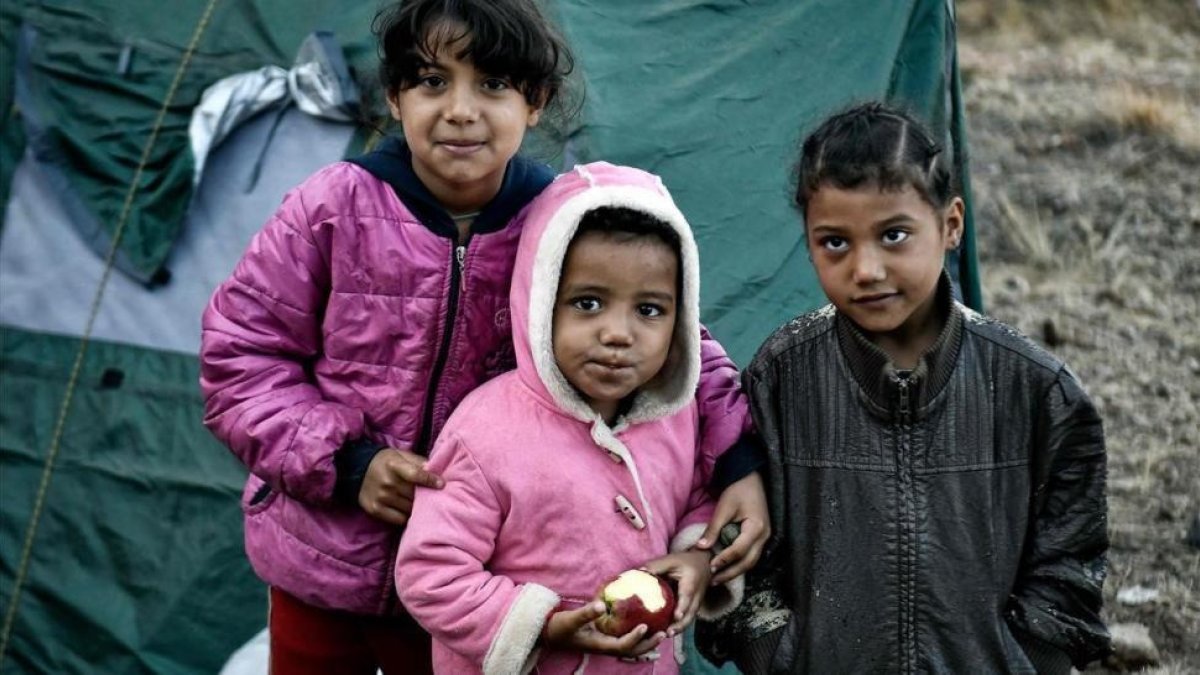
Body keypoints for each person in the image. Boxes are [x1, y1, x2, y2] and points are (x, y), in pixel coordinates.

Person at [199, 2, 767, 673]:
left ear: (535, 102)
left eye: (493, 85)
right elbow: (240, 357)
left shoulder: (556, 223)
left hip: (471, 575)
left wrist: (738, 464)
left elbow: (682, 347)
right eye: (432, 82)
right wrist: (351, 465)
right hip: (319, 558)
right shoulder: (330, 208)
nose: (461, 110)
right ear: (394, 96)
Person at [696, 102, 1111, 674]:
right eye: (834, 243)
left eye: (894, 235)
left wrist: (1024, 659)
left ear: (951, 225)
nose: (865, 268)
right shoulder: (782, 379)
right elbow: (746, 552)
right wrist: (779, 654)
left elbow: (1071, 563)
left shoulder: (1035, 390)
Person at [395, 162, 746, 674]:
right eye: (588, 303)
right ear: (539, 305)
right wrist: (543, 624)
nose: (617, 334)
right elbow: (431, 573)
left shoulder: (676, 416)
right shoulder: (485, 433)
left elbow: (698, 498)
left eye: (649, 310)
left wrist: (695, 558)